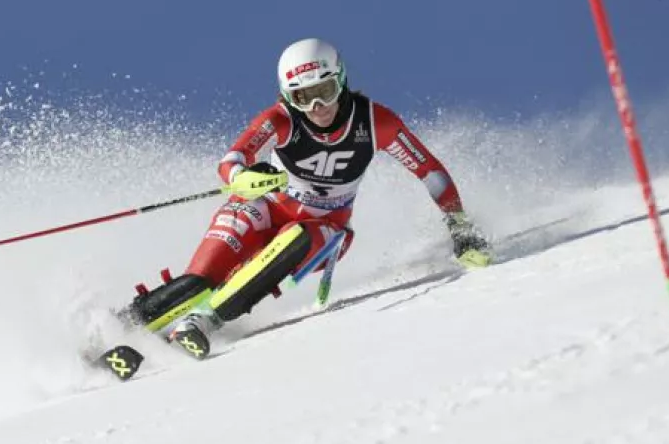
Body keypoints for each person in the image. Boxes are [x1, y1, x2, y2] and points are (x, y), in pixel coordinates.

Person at [126, 38, 491, 357]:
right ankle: (121, 328)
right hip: (264, 207)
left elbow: (429, 170)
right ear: (288, 97)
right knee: (200, 280)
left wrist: (459, 226)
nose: (318, 107)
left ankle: (203, 321)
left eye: (325, 91)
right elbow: (231, 160)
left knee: (297, 239)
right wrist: (244, 177)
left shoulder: (374, 122)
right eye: (304, 97)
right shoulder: (281, 120)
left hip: (324, 227)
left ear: (342, 80)